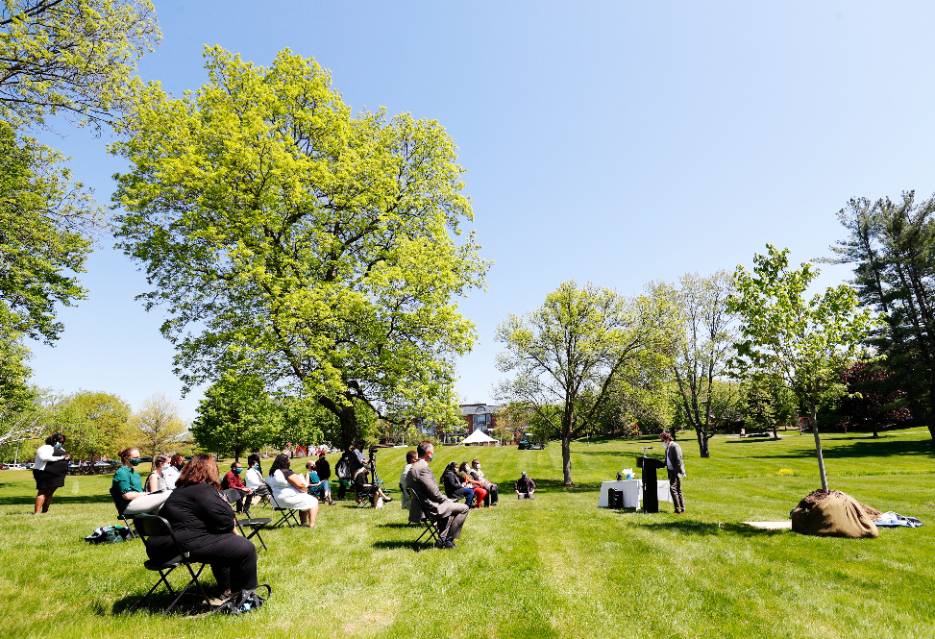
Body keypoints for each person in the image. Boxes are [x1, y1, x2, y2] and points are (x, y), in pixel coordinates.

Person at [144, 454, 258, 604]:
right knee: (245, 547)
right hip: (177, 547)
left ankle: (227, 588)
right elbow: (226, 519)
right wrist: (223, 503)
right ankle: (245, 598)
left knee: (223, 541)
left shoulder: (180, 490)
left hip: (161, 547)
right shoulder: (203, 490)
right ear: (210, 471)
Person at [407, 441, 469, 548]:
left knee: (451, 508)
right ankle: (448, 540)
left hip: (421, 506)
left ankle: (442, 539)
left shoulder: (413, 467)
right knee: (464, 508)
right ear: (429, 453)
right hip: (430, 508)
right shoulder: (423, 468)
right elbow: (435, 494)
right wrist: (447, 500)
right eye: (433, 451)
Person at [268, 453, 319, 527]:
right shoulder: (286, 472)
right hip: (287, 499)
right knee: (314, 501)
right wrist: (305, 488)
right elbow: (300, 486)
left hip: (275, 500)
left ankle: (303, 523)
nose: (290, 462)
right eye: (288, 460)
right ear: (285, 462)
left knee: (304, 499)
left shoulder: (272, 473)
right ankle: (311, 525)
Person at [33, 433, 69, 514]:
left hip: (57, 475)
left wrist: (66, 457)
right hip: (43, 473)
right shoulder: (44, 448)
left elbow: (65, 456)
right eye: (60, 441)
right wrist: (62, 457)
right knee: (43, 491)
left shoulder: (60, 449)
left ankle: (45, 511)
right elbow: (45, 458)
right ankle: (37, 513)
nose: (61, 443)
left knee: (50, 492)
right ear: (54, 440)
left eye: (63, 442)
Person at [111, 447, 145, 514]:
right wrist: (145, 494)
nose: (138, 459)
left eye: (139, 457)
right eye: (135, 457)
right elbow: (127, 495)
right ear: (126, 458)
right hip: (127, 506)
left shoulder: (135, 473)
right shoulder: (121, 473)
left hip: (140, 502)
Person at [660, 431, 686, 513]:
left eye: (662, 440)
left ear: (666, 438)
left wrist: (676, 472)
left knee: (673, 489)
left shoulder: (674, 446)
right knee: (677, 489)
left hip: (675, 471)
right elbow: (667, 459)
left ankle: (677, 509)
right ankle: (682, 508)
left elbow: (678, 461)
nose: (662, 442)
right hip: (670, 470)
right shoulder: (668, 447)